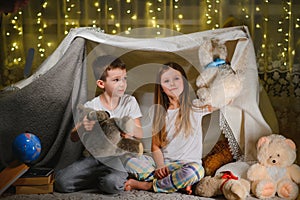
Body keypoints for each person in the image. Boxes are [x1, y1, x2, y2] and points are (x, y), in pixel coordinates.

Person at [55, 55, 143, 194]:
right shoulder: (92, 105)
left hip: (117, 157)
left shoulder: (129, 101)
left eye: (124, 78)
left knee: (112, 185)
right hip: (94, 157)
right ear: (101, 84)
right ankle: (96, 177)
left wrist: (130, 130)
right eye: (116, 80)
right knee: (62, 183)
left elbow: (140, 133)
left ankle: (106, 179)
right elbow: (73, 136)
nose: (122, 84)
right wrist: (83, 127)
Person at [124, 62, 210, 194]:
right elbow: (156, 146)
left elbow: (222, 100)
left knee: (196, 171)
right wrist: (160, 166)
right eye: (166, 80)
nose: (172, 84)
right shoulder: (159, 113)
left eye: (176, 78)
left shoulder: (195, 107)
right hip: (165, 165)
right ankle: (177, 183)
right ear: (161, 87)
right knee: (129, 160)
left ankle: (148, 186)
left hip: (187, 165)